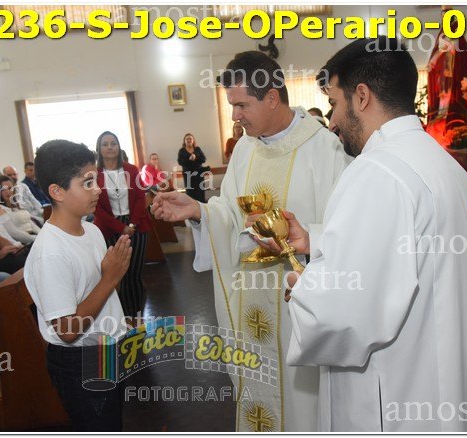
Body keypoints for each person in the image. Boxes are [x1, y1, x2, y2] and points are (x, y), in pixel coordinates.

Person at [278, 37, 467, 432]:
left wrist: (303, 287)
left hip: (399, 396)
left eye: (334, 103)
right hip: (444, 378)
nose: (332, 122)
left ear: (361, 96)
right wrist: (315, 240)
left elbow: (344, 314)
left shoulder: (376, 170)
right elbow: (412, 246)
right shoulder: (443, 163)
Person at [152, 50, 350, 432]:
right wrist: (199, 210)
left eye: (241, 105)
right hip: (251, 304)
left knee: (301, 402)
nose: (234, 116)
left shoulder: (326, 151)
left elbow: (345, 231)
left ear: (272, 97)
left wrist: (303, 239)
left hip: (296, 304)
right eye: (231, 105)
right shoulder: (245, 148)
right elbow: (228, 212)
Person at [24, 139, 131, 431]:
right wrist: (110, 277)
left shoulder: (92, 230)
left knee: (112, 424)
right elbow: (68, 330)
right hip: (80, 359)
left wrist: (113, 276)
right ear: (57, 191)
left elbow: (103, 294)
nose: (97, 189)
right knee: (97, 427)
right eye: (86, 183)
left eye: (95, 180)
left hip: (107, 347)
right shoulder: (51, 252)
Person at [94, 131, 151, 318]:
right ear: (99, 149)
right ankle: (122, 319)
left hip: (136, 225)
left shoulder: (131, 170)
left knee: (134, 275)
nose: (110, 147)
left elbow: (140, 199)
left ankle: (136, 317)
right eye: (105, 144)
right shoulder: (94, 174)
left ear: (119, 147)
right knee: (118, 276)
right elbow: (96, 208)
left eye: (113, 143)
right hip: (109, 228)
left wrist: (131, 225)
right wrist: (121, 228)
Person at [0, 175, 41, 244]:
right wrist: (37, 239)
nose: (8, 192)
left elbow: (30, 223)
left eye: (10, 188)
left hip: (34, 237)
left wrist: (41, 235)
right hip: (23, 242)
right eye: (3, 189)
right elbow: (13, 233)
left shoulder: (15, 203)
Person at [177, 133, 208, 203]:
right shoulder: (182, 151)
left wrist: (196, 157)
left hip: (199, 176)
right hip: (188, 176)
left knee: (200, 193)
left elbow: (203, 159)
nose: (189, 140)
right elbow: (180, 162)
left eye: (190, 139)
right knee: (190, 194)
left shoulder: (197, 149)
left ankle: (201, 208)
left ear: (193, 140)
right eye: (187, 139)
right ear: (184, 141)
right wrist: (189, 159)